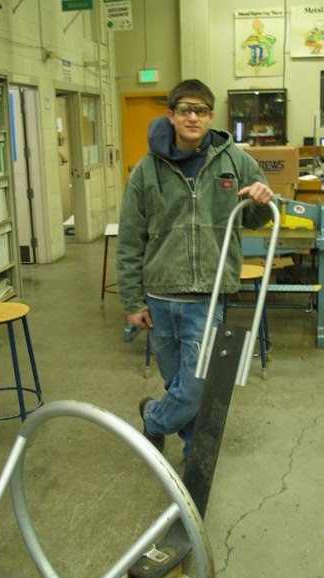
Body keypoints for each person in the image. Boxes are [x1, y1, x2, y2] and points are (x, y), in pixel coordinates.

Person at [116, 79, 274, 458]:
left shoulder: (235, 161)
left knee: (195, 385)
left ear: (210, 116)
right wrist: (132, 299)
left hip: (206, 294)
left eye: (201, 110)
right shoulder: (146, 170)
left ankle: (153, 419)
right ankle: (192, 448)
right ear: (170, 115)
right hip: (157, 296)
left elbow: (256, 218)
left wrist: (260, 198)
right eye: (185, 109)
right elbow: (130, 239)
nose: (193, 116)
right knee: (176, 382)